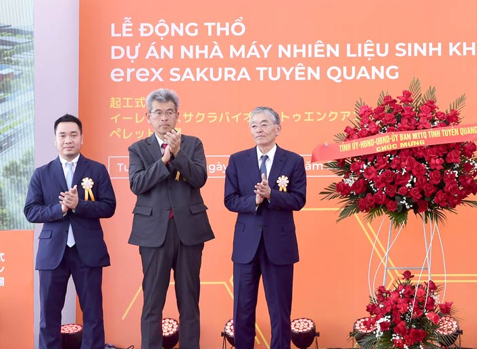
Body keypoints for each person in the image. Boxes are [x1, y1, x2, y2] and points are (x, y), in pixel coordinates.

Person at [128, 88, 214, 349]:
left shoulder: (193, 143)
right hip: (153, 233)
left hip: (189, 230)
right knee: (152, 302)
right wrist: (164, 160)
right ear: (148, 117)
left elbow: (199, 178)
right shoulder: (138, 149)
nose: (164, 118)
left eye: (169, 112)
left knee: (189, 301)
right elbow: (137, 184)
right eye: (158, 113)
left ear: (178, 115)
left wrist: (178, 154)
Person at [24, 114, 116, 349]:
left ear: (82, 138)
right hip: (52, 253)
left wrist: (80, 205)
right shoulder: (41, 173)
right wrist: (61, 209)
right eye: (63, 135)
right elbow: (31, 211)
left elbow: (109, 206)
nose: (68, 140)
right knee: (49, 316)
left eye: (73, 134)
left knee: (93, 313)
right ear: (55, 140)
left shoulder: (96, 169)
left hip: (88, 251)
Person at [224, 106, 307, 349]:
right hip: (245, 245)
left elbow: (299, 200)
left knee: (280, 311)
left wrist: (272, 196)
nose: (258, 129)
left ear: (277, 129)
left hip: (279, 245)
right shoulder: (238, 160)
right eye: (254, 125)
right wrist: (255, 201)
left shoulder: (293, 160)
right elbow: (230, 200)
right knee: (243, 309)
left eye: (264, 124)